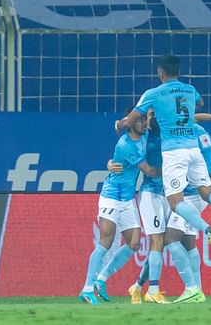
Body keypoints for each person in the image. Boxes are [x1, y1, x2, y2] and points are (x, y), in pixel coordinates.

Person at [116, 55, 211, 303]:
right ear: (178, 71)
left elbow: (129, 121)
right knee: (207, 192)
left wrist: (120, 124)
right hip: (192, 151)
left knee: (174, 204)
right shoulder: (190, 90)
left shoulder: (154, 94)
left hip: (175, 154)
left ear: (160, 72)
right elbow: (197, 106)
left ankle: (209, 231)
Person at [79, 113, 160, 305]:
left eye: (143, 120)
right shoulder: (126, 145)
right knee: (105, 242)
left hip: (128, 199)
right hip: (111, 197)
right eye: (139, 121)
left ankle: (101, 279)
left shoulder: (145, 135)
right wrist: (175, 170)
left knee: (134, 244)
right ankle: (87, 289)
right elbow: (148, 170)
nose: (143, 124)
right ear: (131, 124)